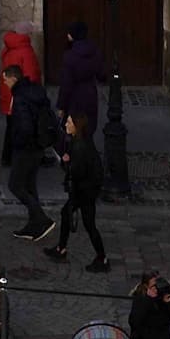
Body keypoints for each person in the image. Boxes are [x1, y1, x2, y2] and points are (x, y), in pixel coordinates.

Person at [46, 112, 109, 272]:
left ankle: (102, 258)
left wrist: (65, 162)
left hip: (85, 191)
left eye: (69, 122)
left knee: (89, 224)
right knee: (67, 214)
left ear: (77, 126)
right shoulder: (79, 141)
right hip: (85, 189)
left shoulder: (80, 146)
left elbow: (77, 172)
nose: (66, 125)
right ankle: (61, 248)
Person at [0, 64, 56, 241]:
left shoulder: (20, 97)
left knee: (15, 185)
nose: (4, 83)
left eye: (5, 79)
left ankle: (41, 219)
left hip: (26, 148)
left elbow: (24, 126)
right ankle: (34, 225)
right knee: (30, 186)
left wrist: (17, 143)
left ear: (13, 78)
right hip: (38, 146)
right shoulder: (34, 91)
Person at [55, 21, 106, 134]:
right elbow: (102, 75)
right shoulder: (94, 51)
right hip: (90, 94)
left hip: (75, 98)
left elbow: (66, 85)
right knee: (88, 129)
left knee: (74, 131)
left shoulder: (69, 56)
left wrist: (61, 106)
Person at [0, 22, 40, 116]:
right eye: (31, 33)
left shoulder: (9, 47)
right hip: (22, 96)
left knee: (11, 120)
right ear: (27, 34)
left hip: (8, 91)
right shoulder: (26, 50)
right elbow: (31, 75)